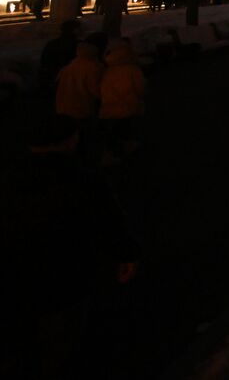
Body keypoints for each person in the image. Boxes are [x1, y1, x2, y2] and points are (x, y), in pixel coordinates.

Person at [0, 115, 140, 379]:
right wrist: (127, 254)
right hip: (65, 275)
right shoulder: (82, 179)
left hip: (15, 276)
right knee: (62, 340)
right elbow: (109, 220)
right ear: (69, 140)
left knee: (23, 339)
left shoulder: (9, 179)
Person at [99, 39, 146, 162]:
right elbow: (140, 87)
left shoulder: (108, 70)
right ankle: (123, 151)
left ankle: (111, 153)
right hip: (128, 104)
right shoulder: (133, 69)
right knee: (124, 128)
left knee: (113, 130)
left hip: (109, 105)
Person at [39, 19, 82, 93]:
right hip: (70, 80)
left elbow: (44, 61)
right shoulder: (79, 45)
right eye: (79, 29)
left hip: (53, 77)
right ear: (75, 30)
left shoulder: (51, 44)